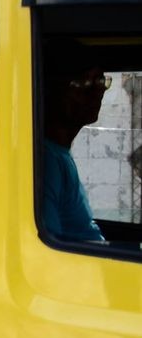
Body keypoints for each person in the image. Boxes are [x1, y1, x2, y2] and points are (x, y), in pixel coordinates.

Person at [40, 67, 110, 243]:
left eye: (100, 81)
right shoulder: (45, 162)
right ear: (49, 90)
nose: (98, 90)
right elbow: (48, 248)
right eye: (84, 83)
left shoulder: (59, 153)